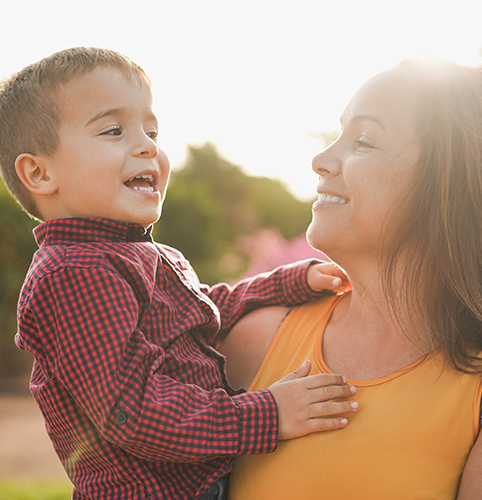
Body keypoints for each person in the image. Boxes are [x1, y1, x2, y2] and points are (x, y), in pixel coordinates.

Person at [0, 47, 358, 500]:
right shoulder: (73, 273)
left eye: (152, 130)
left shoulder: (134, 254)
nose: (149, 145)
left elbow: (196, 313)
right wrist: (264, 415)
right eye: (114, 130)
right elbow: (133, 413)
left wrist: (284, 283)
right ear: (39, 172)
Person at [220, 57, 482, 499]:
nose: (321, 159)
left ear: (449, 182)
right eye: (339, 134)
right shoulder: (250, 340)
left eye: (364, 141)